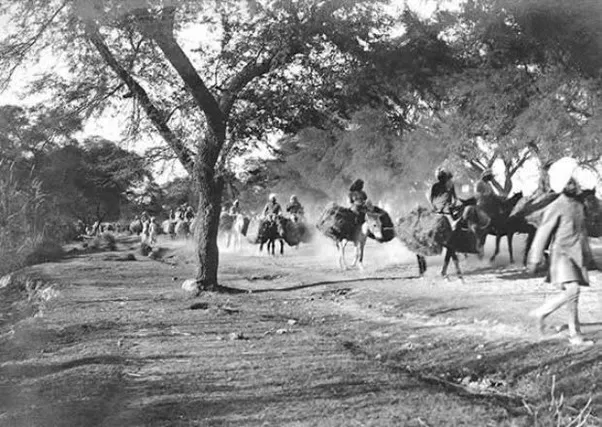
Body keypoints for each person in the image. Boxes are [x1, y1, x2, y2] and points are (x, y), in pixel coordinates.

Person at [527, 157, 595, 346]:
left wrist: (587, 256)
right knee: (573, 290)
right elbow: (543, 233)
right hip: (562, 255)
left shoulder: (579, 205)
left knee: (574, 294)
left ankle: (557, 321)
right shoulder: (557, 205)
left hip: (576, 255)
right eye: (571, 182)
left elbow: (582, 233)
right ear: (565, 184)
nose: (575, 184)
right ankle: (571, 333)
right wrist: (534, 258)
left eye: (575, 181)